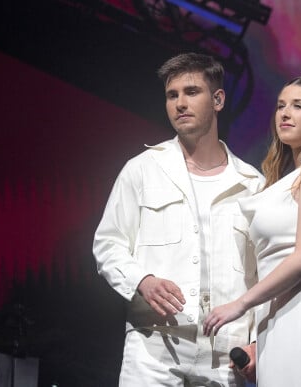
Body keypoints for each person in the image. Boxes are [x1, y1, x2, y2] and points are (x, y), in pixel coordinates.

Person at [92, 52, 264, 386]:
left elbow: (265, 272)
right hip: (155, 347)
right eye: (172, 95)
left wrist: (259, 340)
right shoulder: (142, 169)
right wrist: (142, 280)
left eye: (191, 92)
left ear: (218, 99)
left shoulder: (251, 184)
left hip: (225, 353)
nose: (180, 103)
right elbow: (108, 244)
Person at [203, 75, 301, 386]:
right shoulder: (288, 177)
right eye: (280, 106)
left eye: (298, 106)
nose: (285, 113)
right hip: (279, 313)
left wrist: (241, 303)